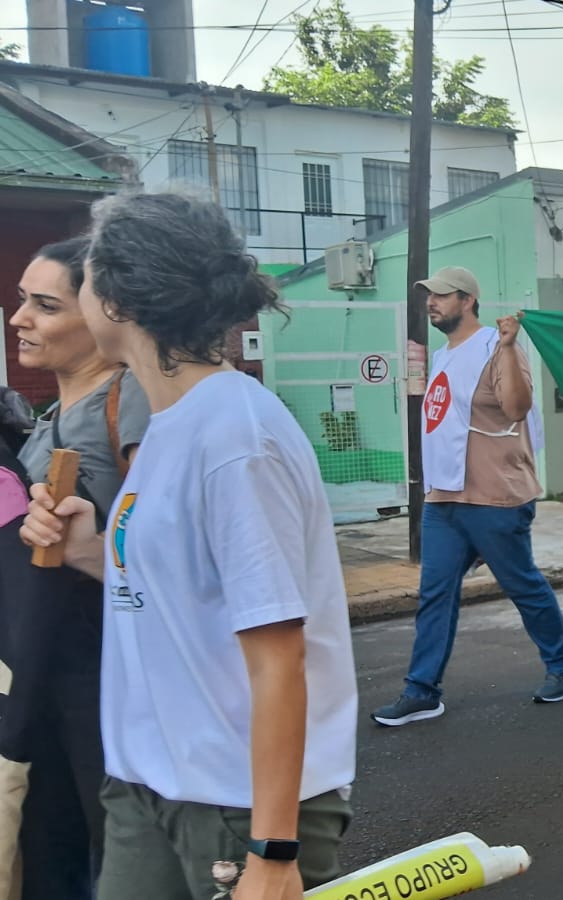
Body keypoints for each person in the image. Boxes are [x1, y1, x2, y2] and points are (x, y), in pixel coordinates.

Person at [20, 192, 357, 900]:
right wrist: (88, 549)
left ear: (116, 299)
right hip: (145, 783)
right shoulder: (173, 423)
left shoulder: (235, 439)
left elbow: (280, 657)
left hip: (235, 805)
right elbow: (176, 595)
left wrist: (273, 851)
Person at [4, 236, 153, 898]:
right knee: (52, 847)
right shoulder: (47, 418)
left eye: (45, 305)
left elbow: (173, 552)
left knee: (115, 855)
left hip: (107, 676)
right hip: (46, 672)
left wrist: (87, 550)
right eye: (21, 301)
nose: (19, 319)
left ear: (99, 314)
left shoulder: (131, 399)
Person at [372, 265, 563, 727]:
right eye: (429, 296)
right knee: (434, 594)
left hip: (494, 497)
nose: (431, 303)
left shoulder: (496, 346)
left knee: (523, 586)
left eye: (442, 295)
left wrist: (508, 347)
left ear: (467, 300)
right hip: (445, 498)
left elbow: (517, 408)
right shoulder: (443, 355)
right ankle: (421, 691)